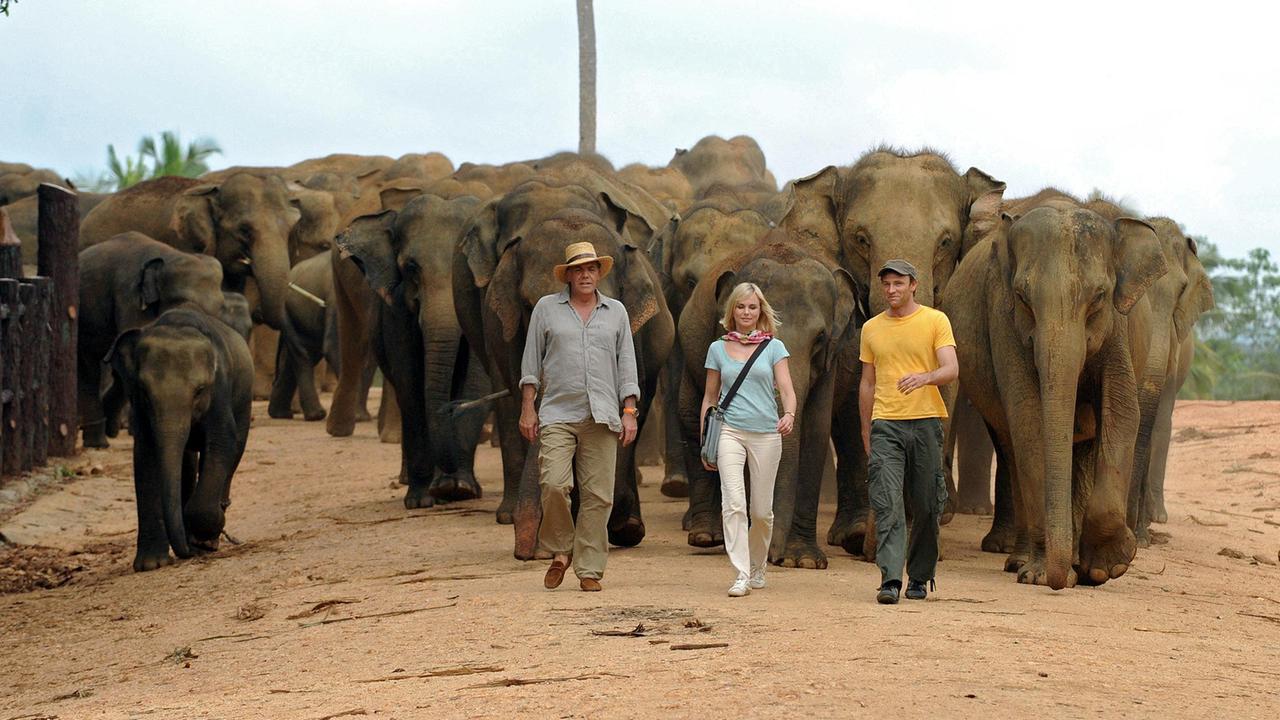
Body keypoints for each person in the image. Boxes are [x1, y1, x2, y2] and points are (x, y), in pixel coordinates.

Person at [519, 241, 640, 593]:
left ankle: (589, 568)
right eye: (578, 269)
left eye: (591, 269)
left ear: (599, 273)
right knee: (554, 484)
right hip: (557, 410)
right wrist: (528, 407)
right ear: (568, 275)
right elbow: (531, 362)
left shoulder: (616, 312)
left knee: (599, 495)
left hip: (602, 414)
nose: (585, 275)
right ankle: (561, 550)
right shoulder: (546, 309)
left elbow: (626, 365)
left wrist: (629, 412)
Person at [858, 259, 958, 604]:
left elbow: (951, 368)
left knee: (928, 504)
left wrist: (924, 377)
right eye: (886, 284)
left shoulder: (935, 321)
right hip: (885, 423)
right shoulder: (871, 328)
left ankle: (919, 575)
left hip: (927, 422)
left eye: (898, 283)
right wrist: (866, 430)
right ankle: (889, 579)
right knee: (887, 503)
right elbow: (867, 383)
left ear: (914, 284)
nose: (891, 290)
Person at [701, 282, 796, 597]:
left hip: (767, 434)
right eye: (741, 307)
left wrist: (789, 414)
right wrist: (706, 439)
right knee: (734, 504)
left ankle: (758, 567)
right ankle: (741, 573)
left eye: (752, 307)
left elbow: (786, 388)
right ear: (732, 310)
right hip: (730, 431)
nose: (746, 312)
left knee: (760, 511)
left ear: (760, 311)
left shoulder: (773, 348)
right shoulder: (717, 349)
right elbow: (710, 397)